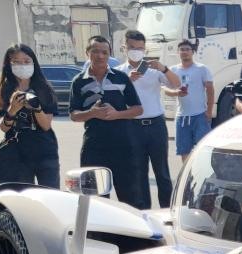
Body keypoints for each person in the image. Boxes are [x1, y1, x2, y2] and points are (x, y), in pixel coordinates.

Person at [69, 36, 143, 205]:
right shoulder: (78, 81)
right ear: (87, 53)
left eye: (105, 52)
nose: (100, 56)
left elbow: (138, 109)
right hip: (94, 148)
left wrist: (116, 114)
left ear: (110, 54)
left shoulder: (121, 78)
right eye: (95, 51)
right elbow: (73, 114)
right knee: (96, 201)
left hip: (123, 147)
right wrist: (92, 113)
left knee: (130, 199)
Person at [117, 30, 180, 209]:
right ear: (124, 48)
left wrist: (163, 68)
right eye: (132, 47)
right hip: (132, 126)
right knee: (138, 172)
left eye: (140, 48)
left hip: (156, 125)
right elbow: (114, 98)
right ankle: (144, 212)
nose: (136, 51)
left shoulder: (153, 69)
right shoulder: (119, 72)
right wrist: (127, 80)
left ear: (145, 49)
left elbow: (177, 84)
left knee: (162, 172)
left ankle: (167, 210)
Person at [0, 43, 61, 187]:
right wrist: (12, 110)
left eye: (26, 61)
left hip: (45, 150)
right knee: (23, 194)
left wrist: (36, 108)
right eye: (16, 62)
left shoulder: (43, 88)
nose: (22, 65)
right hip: (17, 152)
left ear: (33, 62)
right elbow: (3, 128)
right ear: (9, 65)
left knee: (50, 193)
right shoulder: (5, 89)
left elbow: (46, 125)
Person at [166, 40, 214, 161]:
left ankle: (202, 173)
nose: (184, 52)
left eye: (187, 49)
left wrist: (209, 111)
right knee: (184, 152)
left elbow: (210, 90)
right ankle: (188, 173)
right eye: (182, 50)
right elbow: (166, 89)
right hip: (182, 117)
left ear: (193, 52)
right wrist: (176, 93)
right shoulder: (173, 70)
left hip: (200, 116)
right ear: (178, 52)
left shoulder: (202, 69)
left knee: (204, 151)